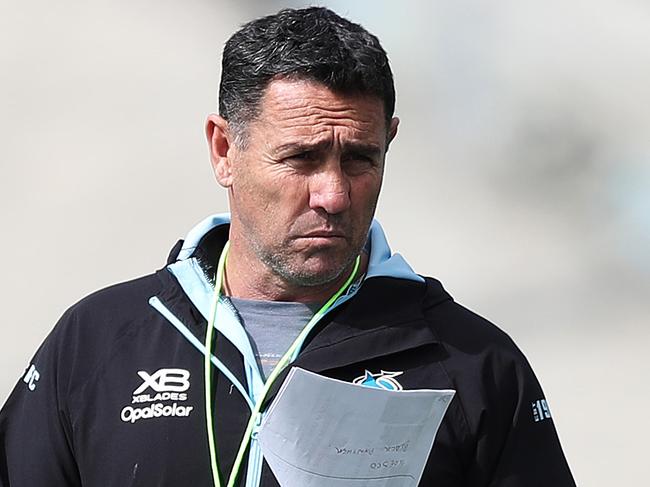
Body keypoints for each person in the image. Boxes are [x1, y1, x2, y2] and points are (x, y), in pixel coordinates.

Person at [0, 6, 576, 487]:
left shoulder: (472, 364)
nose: (332, 194)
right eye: (300, 158)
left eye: (359, 159)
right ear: (224, 150)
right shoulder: (97, 340)